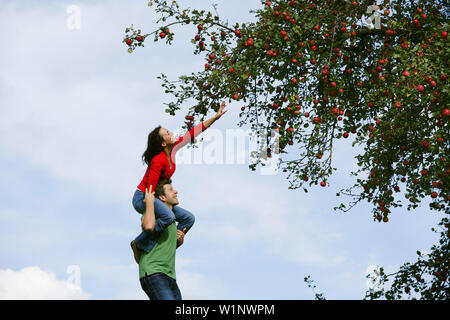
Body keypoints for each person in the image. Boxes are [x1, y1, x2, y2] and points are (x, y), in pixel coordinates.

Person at [131, 102, 228, 262]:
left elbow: (194, 132)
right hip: (143, 197)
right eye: (167, 133)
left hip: (156, 196)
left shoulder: (174, 148)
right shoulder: (158, 160)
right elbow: (150, 189)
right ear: (163, 143)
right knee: (168, 216)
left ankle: (167, 245)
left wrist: (216, 117)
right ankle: (140, 243)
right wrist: (152, 211)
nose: (171, 132)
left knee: (188, 218)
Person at [139, 178, 186, 300]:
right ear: (162, 198)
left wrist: (179, 241)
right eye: (171, 190)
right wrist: (150, 202)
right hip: (154, 272)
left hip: (170, 275)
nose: (176, 192)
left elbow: (163, 246)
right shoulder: (155, 216)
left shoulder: (172, 222)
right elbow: (148, 226)